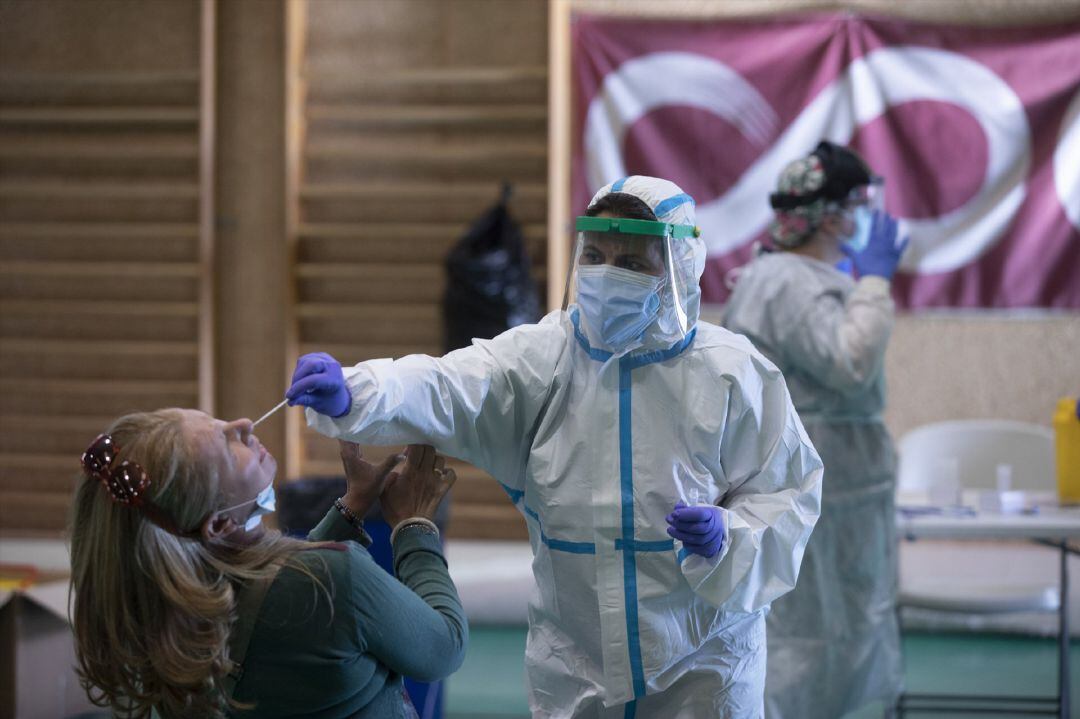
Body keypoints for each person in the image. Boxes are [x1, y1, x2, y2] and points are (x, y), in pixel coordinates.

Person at [285, 175, 823, 718]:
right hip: (576, 665)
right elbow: (447, 385)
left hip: (703, 665)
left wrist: (727, 537)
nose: (608, 274)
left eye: (634, 263)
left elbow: (788, 495)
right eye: (595, 255)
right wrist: (354, 391)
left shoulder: (734, 374)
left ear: (679, 269)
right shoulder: (541, 359)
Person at [69, 408, 466, 719]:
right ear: (220, 523)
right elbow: (444, 647)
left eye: (218, 421)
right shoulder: (335, 580)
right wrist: (415, 526)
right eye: (226, 443)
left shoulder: (170, 606)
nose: (241, 424)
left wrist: (351, 508)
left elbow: (279, 602)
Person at [721, 141, 909, 719]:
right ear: (830, 215)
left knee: (818, 620)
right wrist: (874, 285)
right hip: (825, 476)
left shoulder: (781, 276)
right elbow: (849, 364)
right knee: (820, 628)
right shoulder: (792, 283)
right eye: (856, 205)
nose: (863, 218)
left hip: (824, 473)